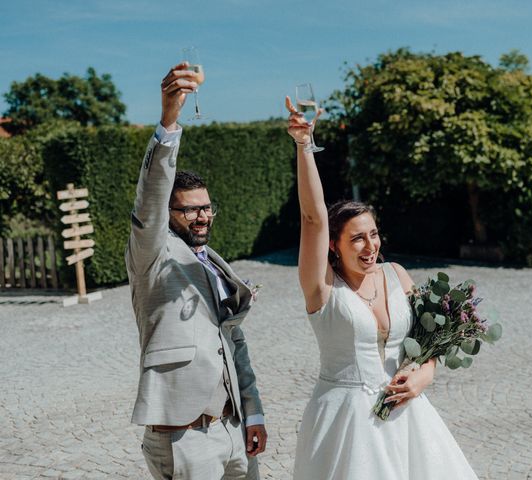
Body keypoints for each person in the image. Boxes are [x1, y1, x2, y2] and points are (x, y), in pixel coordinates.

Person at [286, 97, 478, 479]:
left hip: (407, 417)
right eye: (357, 238)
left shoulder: (396, 274)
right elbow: (312, 218)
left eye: (373, 234)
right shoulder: (321, 288)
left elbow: (429, 342)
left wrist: (426, 373)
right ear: (333, 246)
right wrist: (304, 146)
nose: (370, 246)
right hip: (346, 423)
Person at [125, 63, 267, 480]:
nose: (202, 216)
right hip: (184, 437)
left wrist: (253, 410)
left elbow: (233, 341)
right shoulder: (152, 254)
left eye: (206, 207)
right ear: (168, 214)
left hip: (233, 429)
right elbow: (149, 201)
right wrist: (169, 122)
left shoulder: (215, 261)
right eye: (189, 209)